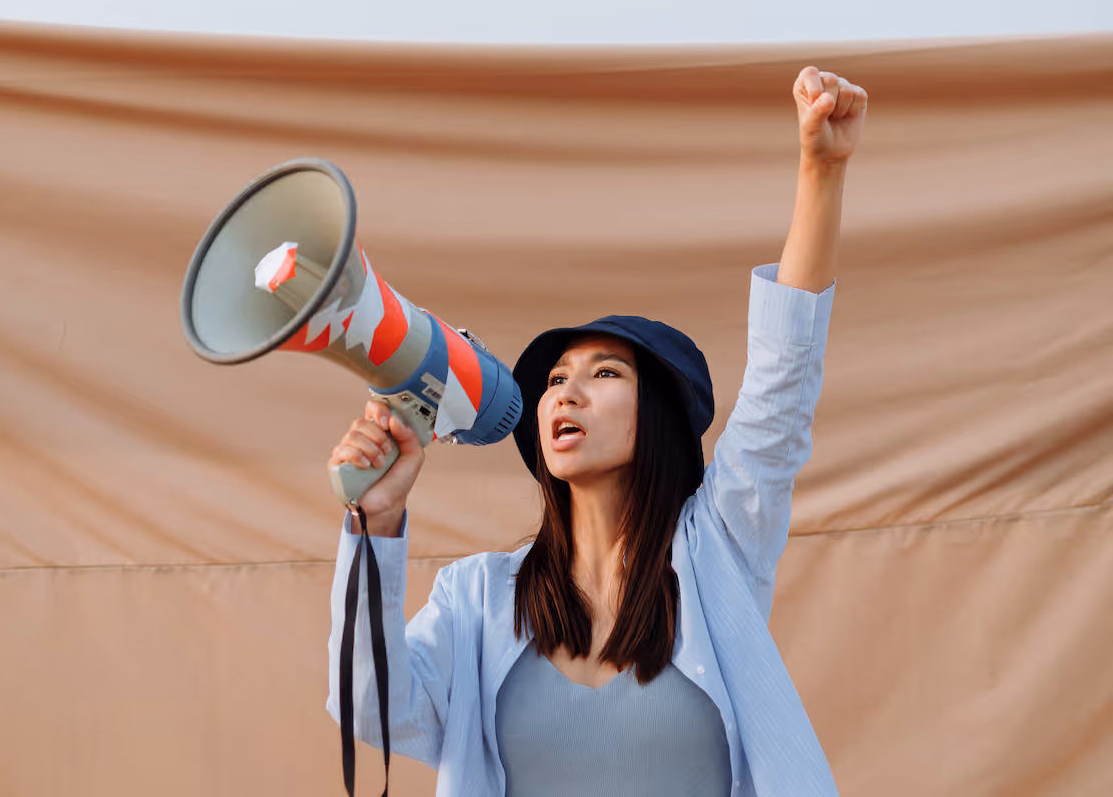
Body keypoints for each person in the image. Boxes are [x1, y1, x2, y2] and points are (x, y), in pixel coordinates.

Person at [326, 66, 868, 797]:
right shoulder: (477, 599)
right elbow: (372, 709)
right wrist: (378, 522)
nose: (565, 393)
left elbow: (781, 387)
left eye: (604, 374)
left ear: (662, 420)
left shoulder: (717, 556)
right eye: (553, 382)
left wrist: (820, 169)